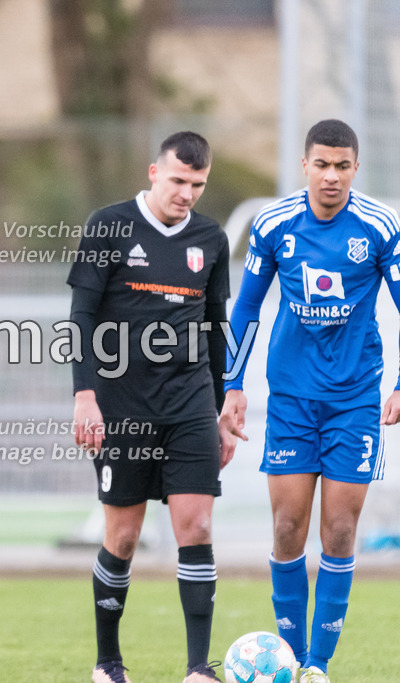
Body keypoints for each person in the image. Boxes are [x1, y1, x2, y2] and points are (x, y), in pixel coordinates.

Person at [219, 119, 400, 683]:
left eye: (342, 166)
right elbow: (246, 308)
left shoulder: (378, 226)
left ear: (355, 169)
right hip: (293, 399)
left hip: (354, 400)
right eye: (321, 164)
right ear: (304, 166)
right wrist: (232, 383)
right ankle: (289, 659)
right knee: (286, 527)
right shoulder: (275, 224)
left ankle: (317, 667)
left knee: (340, 532)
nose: (331, 176)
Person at [68, 132, 230, 683]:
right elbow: (82, 318)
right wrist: (85, 395)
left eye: (198, 184)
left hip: (188, 407)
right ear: (153, 172)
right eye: (179, 180)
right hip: (121, 407)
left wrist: (220, 408)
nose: (187, 193)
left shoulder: (210, 237)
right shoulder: (108, 224)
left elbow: (214, 329)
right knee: (125, 537)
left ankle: (197, 669)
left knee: (197, 526)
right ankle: (108, 662)